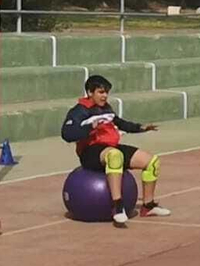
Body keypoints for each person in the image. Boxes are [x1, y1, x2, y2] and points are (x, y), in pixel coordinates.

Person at [61, 75, 171, 225]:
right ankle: (117, 207)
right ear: (90, 92)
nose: (105, 96)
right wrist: (89, 127)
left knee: (151, 161)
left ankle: (148, 206)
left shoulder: (105, 108)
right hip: (90, 152)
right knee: (115, 156)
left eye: (106, 92)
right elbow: (67, 134)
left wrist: (140, 128)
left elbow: (119, 123)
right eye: (101, 92)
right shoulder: (79, 111)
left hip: (109, 147)